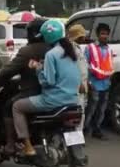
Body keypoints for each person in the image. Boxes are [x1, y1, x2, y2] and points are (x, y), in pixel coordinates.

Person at [12, 20, 81, 156]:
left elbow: (48, 82)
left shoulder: (51, 54)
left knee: (17, 106)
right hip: (73, 99)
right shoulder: (71, 52)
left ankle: (28, 146)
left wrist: (37, 68)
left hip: (53, 100)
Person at [0, 18, 50, 155]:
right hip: (58, 92)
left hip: (34, 92)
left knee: (10, 106)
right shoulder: (57, 49)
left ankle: (11, 144)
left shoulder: (28, 51)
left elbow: (10, 69)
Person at [84, 23, 114, 140]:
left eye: (106, 34)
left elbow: (109, 65)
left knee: (101, 109)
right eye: (102, 34)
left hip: (105, 83)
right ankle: (84, 129)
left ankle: (97, 129)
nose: (104, 36)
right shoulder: (90, 48)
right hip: (94, 83)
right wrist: (88, 82)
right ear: (97, 35)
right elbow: (85, 64)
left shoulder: (109, 49)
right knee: (91, 108)